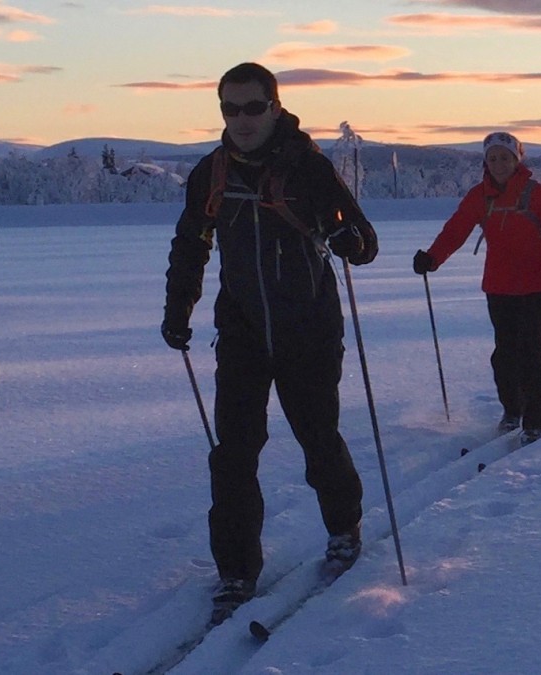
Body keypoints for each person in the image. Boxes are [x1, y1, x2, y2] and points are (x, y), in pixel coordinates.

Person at [161, 62, 379, 626]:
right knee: (233, 453)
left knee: (317, 436)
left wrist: (344, 238)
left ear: (275, 107)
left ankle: (343, 527)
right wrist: (177, 308)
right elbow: (191, 243)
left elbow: (364, 240)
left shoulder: (307, 166)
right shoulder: (211, 173)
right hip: (241, 330)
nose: (242, 119)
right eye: (230, 108)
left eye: (252, 107)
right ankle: (236, 571)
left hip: (307, 324)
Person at [412, 132, 541, 443]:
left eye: (505, 157)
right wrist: (432, 258)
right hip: (499, 286)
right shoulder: (480, 196)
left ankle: (535, 421)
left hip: (538, 284)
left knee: (530, 352)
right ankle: (512, 409)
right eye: (493, 158)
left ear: (517, 159)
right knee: (503, 355)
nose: (499, 163)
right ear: (485, 162)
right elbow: (455, 230)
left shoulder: (535, 193)